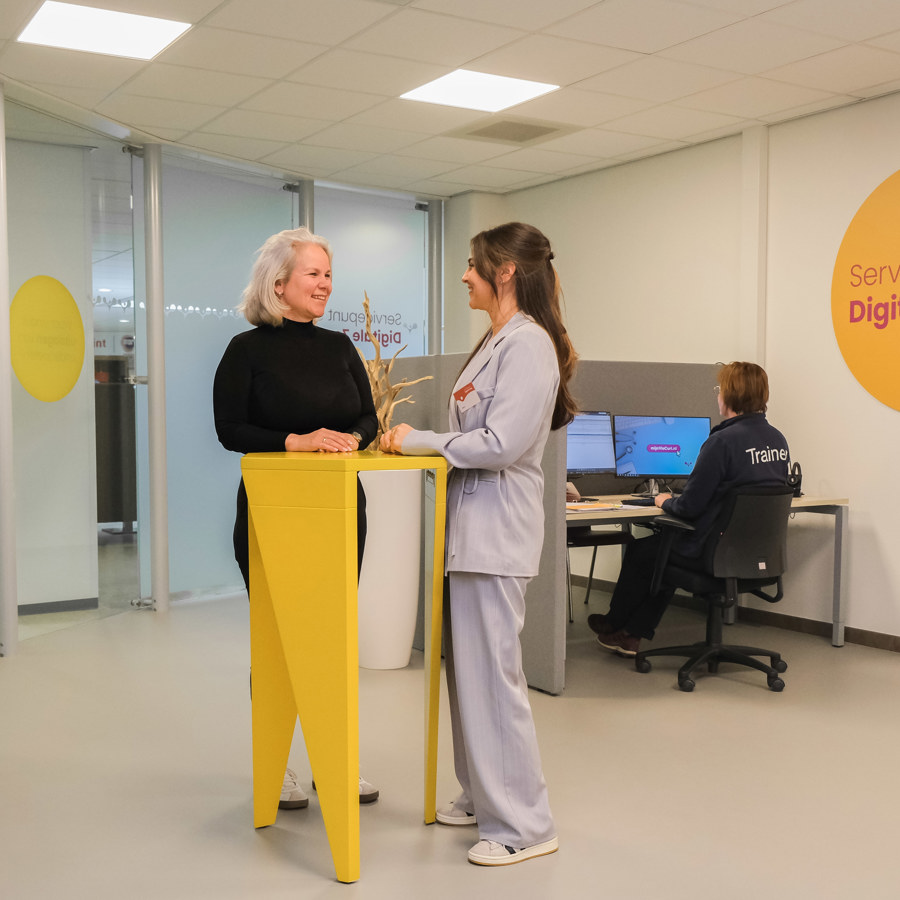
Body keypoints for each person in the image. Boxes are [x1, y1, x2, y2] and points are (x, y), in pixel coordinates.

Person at [381, 222, 577, 867]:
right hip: (471, 534)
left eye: (473, 265)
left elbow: (500, 445)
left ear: (506, 272)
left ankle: (525, 825)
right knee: (469, 677)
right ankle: (482, 793)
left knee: (495, 681)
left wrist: (416, 441)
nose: (464, 275)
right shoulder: (498, 341)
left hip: (498, 535)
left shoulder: (529, 346)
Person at [213, 226, 379, 808]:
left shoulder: (339, 347)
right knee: (279, 641)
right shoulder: (245, 350)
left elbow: (368, 419)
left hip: (339, 511)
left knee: (331, 640)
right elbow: (229, 430)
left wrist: (349, 443)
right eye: (314, 274)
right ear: (278, 284)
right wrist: (297, 441)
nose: (325, 284)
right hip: (271, 515)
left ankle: (337, 759)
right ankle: (276, 762)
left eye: (328, 274)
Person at [589, 361, 790, 657]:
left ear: (731, 395)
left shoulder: (722, 442)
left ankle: (617, 624)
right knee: (665, 550)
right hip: (756, 556)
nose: (717, 395)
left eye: (720, 389)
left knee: (646, 551)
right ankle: (630, 634)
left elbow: (690, 506)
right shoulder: (777, 440)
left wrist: (662, 501)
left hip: (714, 551)